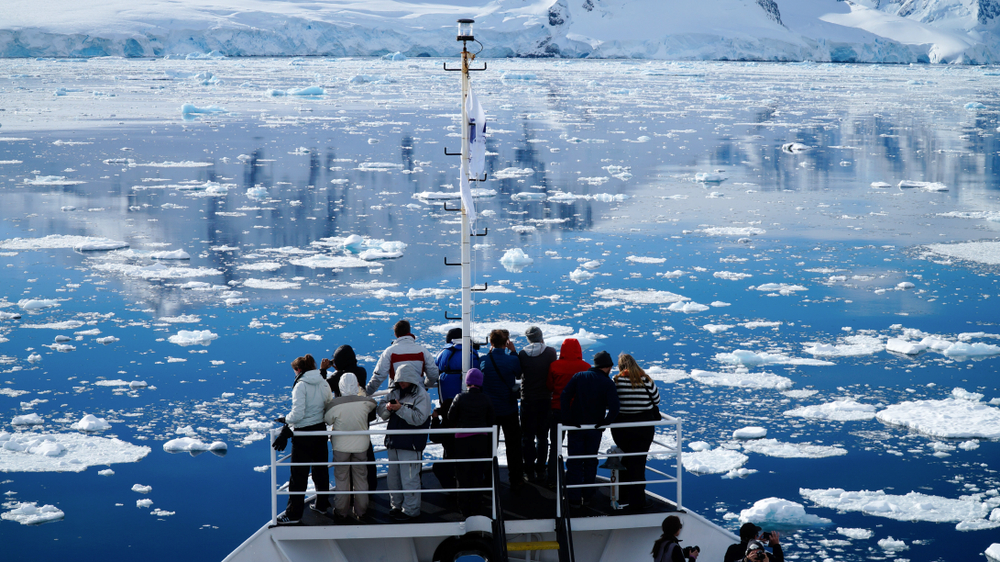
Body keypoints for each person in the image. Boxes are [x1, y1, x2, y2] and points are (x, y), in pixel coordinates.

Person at [276, 354, 333, 525]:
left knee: (298, 476)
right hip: (320, 432)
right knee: (320, 471)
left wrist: (286, 420)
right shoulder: (323, 381)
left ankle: (293, 514)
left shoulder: (301, 385)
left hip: (303, 435)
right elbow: (329, 403)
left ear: (298, 370)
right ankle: (322, 504)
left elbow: (298, 414)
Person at [560, 350, 619, 507]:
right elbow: (614, 408)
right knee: (590, 461)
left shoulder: (579, 376)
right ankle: (587, 496)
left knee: (574, 462)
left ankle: (573, 498)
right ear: (608, 366)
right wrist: (605, 423)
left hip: (576, 426)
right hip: (594, 428)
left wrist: (567, 419)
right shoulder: (608, 383)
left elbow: (565, 395)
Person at [376, 363, 432, 521]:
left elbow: (420, 419)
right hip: (394, 442)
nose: (401, 384)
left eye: (404, 381)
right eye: (399, 381)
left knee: (409, 479)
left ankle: (411, 511)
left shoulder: (422, 396)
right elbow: (381, 412)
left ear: (412, 380)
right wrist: (387, 408)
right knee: (393, 479)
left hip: (410, 444)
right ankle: (397, 506)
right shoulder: (394, 392)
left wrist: (400, 409)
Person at [323, 344, 378, 492]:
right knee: (366, 455)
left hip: (344, 425)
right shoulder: (361, 371)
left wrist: (323, 370)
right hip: (361, 421)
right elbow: (349, 374)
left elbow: (323, 387)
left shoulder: (336, 377)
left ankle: (348, 496)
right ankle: (370, 489)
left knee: (345, 465)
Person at [610, 353, 661, 511]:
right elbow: (656, 399)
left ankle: (623, 496)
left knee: (625, 460)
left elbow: (612, 400)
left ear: (620, 366)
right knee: (638, 462)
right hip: (643, 428)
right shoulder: (645, 379)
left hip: (622, 428)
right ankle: (638, 500)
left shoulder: (616, 380)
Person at [324, 374, 377, 523]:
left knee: (342, 479)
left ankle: (341, 511)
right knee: (361, 478)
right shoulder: (366, 403)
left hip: (341, 448)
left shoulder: (335, 404)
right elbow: (373, 403)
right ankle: (361, 511)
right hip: (361, 447)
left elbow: (327, 419)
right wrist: (360, 389)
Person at [480, 328, 525, 491]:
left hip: (489, 411)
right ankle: (516, 479)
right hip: (509, 409)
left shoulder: (484, 359)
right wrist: (513, 352)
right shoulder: (511, 360)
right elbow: (519, 374)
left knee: (489, 446)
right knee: (513, 446)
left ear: (491, 343)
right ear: (506, 343)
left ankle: (488, 478)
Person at [447, 368, 496, 516]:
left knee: (463, 474)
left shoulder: (459, 398)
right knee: (477, 474)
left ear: (467, 382)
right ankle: (476, 505)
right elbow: (492, 419)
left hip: (462, 441)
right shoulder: (486, 398)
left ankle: (463, 507)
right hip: (481, 440)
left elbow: (451, 417)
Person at [545, 338, 590, 485]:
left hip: (557, 410)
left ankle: (552, 478)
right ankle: (574, 480)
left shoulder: (554, 366)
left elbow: (550, 387)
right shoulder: (586, 367)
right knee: (576, 448)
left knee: (555, 447)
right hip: (578, 413)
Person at [517, 326, 557, 483]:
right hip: (545, 399)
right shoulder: (550, 352)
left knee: (527, 436)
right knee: (542, 436)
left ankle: (529, 470)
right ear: (541, 337)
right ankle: (541, 469)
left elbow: (519, 374)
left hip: (528, 399)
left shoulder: (522, 354)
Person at [366, 320, 439, 396]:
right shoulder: (423, 351)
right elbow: (433, 374)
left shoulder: (389, 352)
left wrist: (366, 393)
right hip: (418, 395)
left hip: (396, 397)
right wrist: (425, 385)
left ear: (395, 334)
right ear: (409, 332)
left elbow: (379, 376)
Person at [435, 327, 481, 412]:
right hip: (469, 392)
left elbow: (435, 368)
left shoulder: (444, 352)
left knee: (448, 414)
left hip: (446, 390)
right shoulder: (472, 351)